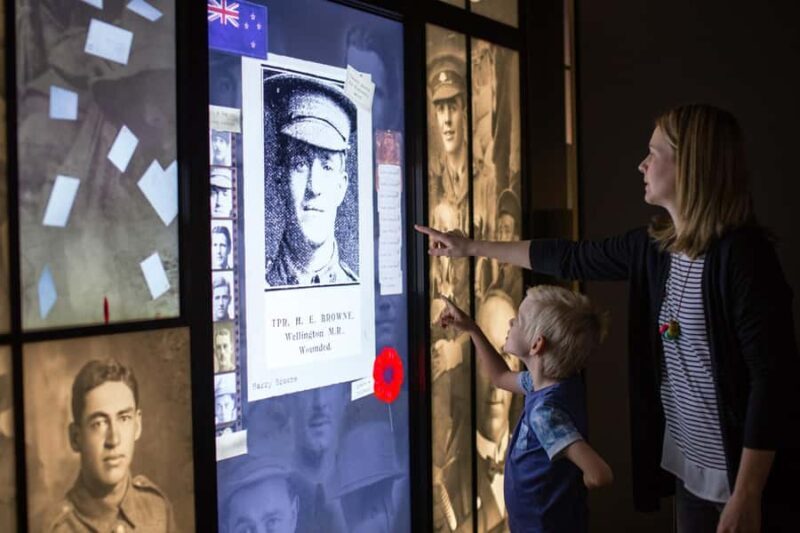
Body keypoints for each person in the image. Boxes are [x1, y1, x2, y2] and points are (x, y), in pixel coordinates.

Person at [417, 103, 800, 530]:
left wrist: (748, 492)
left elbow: (773, 380)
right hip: (690, 474)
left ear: (690, 165)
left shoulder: (745, 260)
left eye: (653, 153)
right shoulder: (653, 249)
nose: (642, 164)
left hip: (747, 482)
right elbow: (569, 257)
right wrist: (469, 247)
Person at [436, 286, 613, 532]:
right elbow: (499, 376)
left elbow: (599, 474)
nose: (512, 321)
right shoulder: (551, 383)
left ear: (536, 345)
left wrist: (574, 486)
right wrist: (472, 329)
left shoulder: (545, 414)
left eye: (519, 319)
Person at [45, 358, 177, 532]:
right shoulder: (59, 528)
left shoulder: (157, 508)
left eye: (124, 418)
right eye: (98, 423)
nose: (113, 440)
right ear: (76, 438)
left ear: (137, 426)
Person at [265, 74, 358, 287]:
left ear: (341, 187)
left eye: (326, 167)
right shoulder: (261, 283)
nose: (314, 187)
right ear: (280, 180)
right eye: (300, 165)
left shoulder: (353, 283)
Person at [428, 53, 469, 235]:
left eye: (452, 108)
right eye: (440, 110)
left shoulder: (486, 180)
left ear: (464, 113)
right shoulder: (433, 183)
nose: (447, 120)